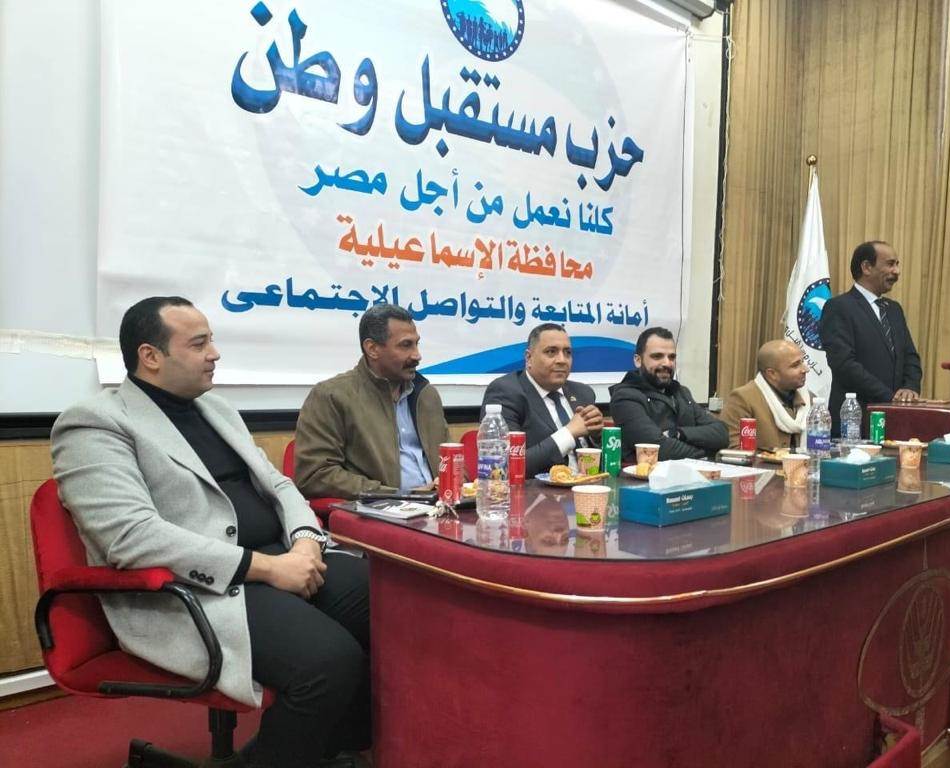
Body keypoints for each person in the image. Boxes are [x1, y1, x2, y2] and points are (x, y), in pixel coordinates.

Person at [50, 297, 370, 768]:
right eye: (199, 344)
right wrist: (268, 568)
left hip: (278, 558)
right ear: (150, 356)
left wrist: (306, 541)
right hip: (198, 588)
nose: (214, 353)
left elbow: (280, 485)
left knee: (390, 606)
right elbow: (131, 538)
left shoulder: (216, 409)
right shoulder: (94, 423)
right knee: (328, 662)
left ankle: (331, 746)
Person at [294, 303, 448, 498]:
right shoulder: (331, 396)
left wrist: (451, 482)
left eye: (417, 344)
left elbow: (453, 459)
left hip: (442, 506)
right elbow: (314, 475)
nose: (417, 355)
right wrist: (399, 496)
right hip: (382, 509)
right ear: (372, 349)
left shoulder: (426, 395)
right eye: (406, 345)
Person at [820, 241, 922, 435]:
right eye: (890, 264)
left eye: (897, 264)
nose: (897, 271)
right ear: (866, 267)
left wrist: (909, 388)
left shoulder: (894, 310)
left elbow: (910, 357)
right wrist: (889, 397)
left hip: (895, 419)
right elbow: (843, 364)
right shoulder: (839, 307)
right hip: (855, 420)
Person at [480, 323, 605, 478]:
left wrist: (597, 436)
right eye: (551, 352)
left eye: (567, 353)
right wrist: (569, 432)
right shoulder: (506, 392)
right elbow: (503, 467)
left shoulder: (583, 393)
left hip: (590, 486)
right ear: (529, 358)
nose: (562, 360)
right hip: (539, 491)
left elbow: (607, 461)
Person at [610, 327, 728, 461]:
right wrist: (708, 452)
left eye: (672, 357)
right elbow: (659, 450)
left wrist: (678, 433)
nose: (667, 363)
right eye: (657, 356)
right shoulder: (625, 397)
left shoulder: (681, 393)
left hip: (692, 472)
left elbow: (722, 434)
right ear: (638, 360)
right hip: (646, 473)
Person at [719, 339, 811, 451]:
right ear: (772, 374)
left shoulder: (810, 399)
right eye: (795, 365)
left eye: (802, 362)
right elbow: (734, 450)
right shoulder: (743, 399)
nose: (805, 369)